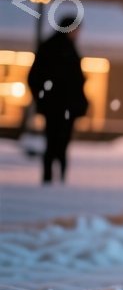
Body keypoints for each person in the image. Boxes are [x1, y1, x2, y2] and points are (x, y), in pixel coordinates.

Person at [29, 25, 88, 185]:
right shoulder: (56, 48)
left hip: (62, 106)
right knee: (56, 141)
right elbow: (36, 78)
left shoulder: (63, 47)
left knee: (59, 141)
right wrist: (44, 98)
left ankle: (57, 177)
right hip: (58, 106)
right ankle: (52, 177)